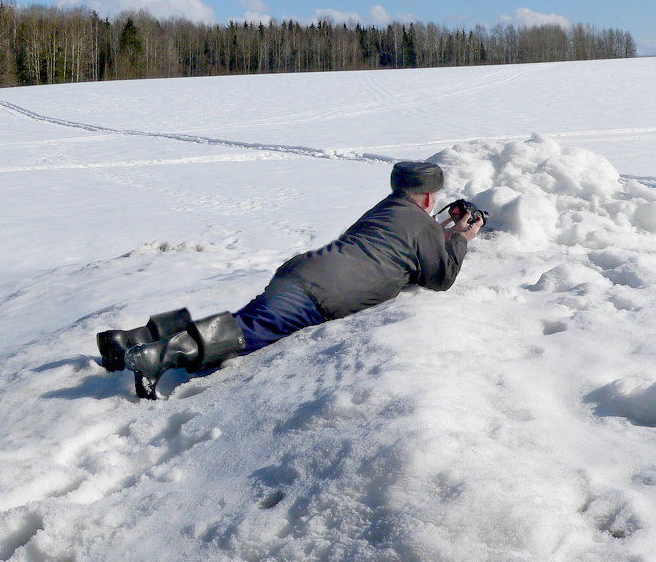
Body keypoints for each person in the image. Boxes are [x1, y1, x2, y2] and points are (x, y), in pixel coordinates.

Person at [96, 161, 484, 399]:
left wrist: (442, 233)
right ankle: (155, 359)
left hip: (302, 273)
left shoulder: (386, 210)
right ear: (430, 198)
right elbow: (441, 277)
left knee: (239, 320)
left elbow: (399, 245)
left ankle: (129, 340)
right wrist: (462, 238)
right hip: (322, 294)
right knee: (245, 330)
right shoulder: (420, 225)